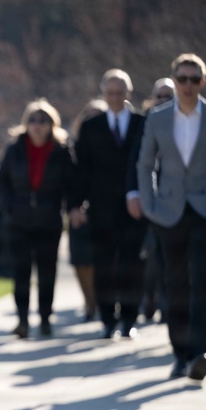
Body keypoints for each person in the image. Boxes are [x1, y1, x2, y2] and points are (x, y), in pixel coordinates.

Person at [135, 53, 206, 380]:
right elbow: (145, 164)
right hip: (168, 212)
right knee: (176, 284)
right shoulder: (157, 118)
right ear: (175, 80)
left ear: (203, 82)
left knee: (202, 282)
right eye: (182, 79)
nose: (187, 85)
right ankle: (180, 354)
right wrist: (150, 204)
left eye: (194, 79)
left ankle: (200, 353)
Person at [70, 69, 147, 340]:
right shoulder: (92, 127)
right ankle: (107, 319)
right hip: (101, 209)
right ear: (103, 94)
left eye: (120, 93)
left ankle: (129, 318)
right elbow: (80, 171)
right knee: (103, 266)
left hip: (134, 208)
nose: (115, 98)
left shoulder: (142, 123)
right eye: (110, 93)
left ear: (128, 93)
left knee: (132, 266)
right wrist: (75, 206)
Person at [0, 98, 74, 339]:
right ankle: (22, 319)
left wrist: (67, 209)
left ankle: (45, 317)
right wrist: (10, 208)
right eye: (32, 120)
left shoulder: (61, 152)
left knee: (47, 272)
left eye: (43, 121)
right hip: (19, 221)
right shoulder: (14, 149)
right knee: (21, 272)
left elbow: (71, 185)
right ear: (25, 124)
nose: (37, 125)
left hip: (48, 221)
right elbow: (2, 183)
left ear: (52, 124)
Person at [135, 79, 175, 324]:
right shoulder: (142, 124)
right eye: (158, 95)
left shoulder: (185, 122)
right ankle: (149, 297)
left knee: (171, 257)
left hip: (175, 201)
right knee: (151, 254)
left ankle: (166, 303)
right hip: (148, 201)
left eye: (168, 96)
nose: (162, 100)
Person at [68, 98, 108, 323]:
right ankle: (89, 303)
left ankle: (103, 304)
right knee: (81, 261)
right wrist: (75, 207)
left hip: (104, 209)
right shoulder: (74, 145)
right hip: (80, 211)